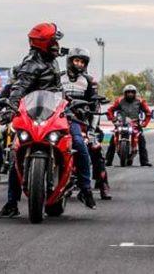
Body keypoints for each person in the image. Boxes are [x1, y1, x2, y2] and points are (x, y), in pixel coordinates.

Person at [0, 22, 67, 218]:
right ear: (44, 43)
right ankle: (11, 202)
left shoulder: (52, 58)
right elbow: (19, 87)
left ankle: (86, 188)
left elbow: (55, 88)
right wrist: (11, 107)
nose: (57, 45)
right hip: (33, 112)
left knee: (77, 143)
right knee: (15, 154)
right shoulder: (31, 64)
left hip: (53, 110)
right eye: (54, 41)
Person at [61, 48, 99, 208]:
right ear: (70, 61)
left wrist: (91, 130)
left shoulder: (89, 81)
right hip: (54, 118)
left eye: (82, 62)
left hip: (75, 120)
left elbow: (94, 106)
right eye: (77, 60)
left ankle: (86, 189)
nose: (79, 64)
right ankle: (12, 199)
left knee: (80, 145)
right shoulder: (57, 78)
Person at [105, 85, 153, 167]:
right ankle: (108, 161)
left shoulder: (140, 101)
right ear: (125, 93)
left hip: (135, 124)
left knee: (141, 139)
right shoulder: (119, 100)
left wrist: (144, 123)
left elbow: (148, 113)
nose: (130, 94)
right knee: (113, 139)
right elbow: (110, 110)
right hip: (121, 123)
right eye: (128, 92)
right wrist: (112, 118)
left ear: (135, 93)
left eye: (132, 92)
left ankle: (144, 161)